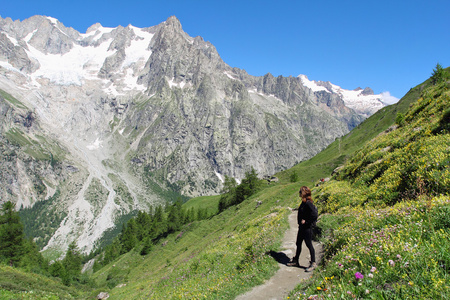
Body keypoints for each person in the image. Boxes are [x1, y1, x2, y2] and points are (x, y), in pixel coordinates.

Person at [287, 186, 318, 272]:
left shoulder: (308, 203)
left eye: (300, 192)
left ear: (304, 193)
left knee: (309, 245)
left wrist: (307, 222)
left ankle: (313, 263)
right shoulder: (304, 202)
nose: (299, 193)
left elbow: (314, 215)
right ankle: (296, 260)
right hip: (301, 227)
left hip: (307, 228)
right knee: (298, 243)